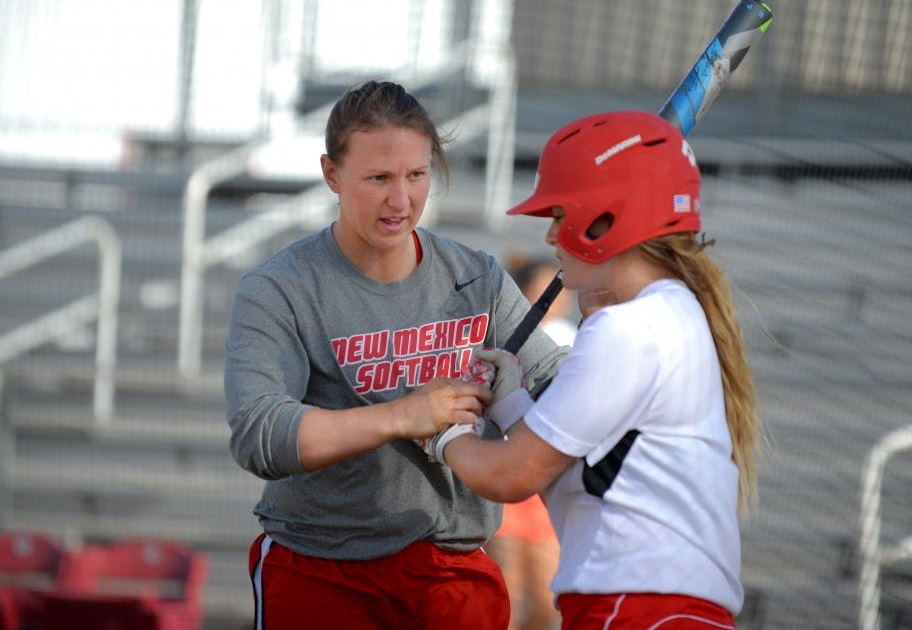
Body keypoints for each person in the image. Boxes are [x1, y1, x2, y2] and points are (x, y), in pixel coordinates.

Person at [224, 80, 567, 629]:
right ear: (331, 174)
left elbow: (558, 383)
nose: (401, 200)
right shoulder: (280, 288)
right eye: (379, 178)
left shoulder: (476, 278)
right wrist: (404, 416)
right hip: (319, 570)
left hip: (450, 572)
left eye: (417, 174)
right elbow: (259, 434)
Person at [436, 110, 760, 629]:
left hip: (633, 606)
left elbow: (512, 474)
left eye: (560, 214)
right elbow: (581, 475)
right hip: (670, 609)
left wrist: (440, 428)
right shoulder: (674, 313)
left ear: (604, 218)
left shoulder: (630, 328)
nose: (550, 238)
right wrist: (512, 400)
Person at [490, 254, 573, 630]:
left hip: (546, 479)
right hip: (507, 475)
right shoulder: (506, 337)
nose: (555, 299)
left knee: (546, 606)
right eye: (543, 291)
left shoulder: (577, 338)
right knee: (509, 601)